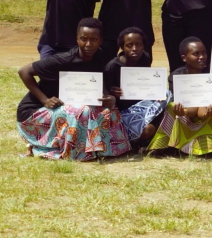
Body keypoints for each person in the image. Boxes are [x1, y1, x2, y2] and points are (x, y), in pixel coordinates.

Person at [16, 18, 129, 160]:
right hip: (33, 115)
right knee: (81, 110)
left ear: (100, 40)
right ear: (77, 40)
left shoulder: (99, 56)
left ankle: (106, 149)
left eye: (93, 39)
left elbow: (99, 83)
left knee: (110, 110)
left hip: (65, 109)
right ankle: (75, 152)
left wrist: (108, 97)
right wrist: (44, 100)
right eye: (83, 39)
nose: (88, 44)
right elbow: (23, 72)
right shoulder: (63, 60)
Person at [147, 36, 212, 156]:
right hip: (185, 113)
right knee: (172, 106)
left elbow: (205, 106)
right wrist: (184, 111)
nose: (202, 57)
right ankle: (167, 146)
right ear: (184, 58)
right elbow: (185, 106)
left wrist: (207, 113)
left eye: (204, 53)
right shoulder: (176, 77)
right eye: (196, 54)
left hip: (205, 111)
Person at [105, 27, 164, 148]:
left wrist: (155, 91)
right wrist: (112, 94)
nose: (135, 49)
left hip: (143, 108)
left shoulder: (145, 58)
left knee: (166, 95)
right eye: (129, 45)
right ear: (122, 47)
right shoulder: (112, 67)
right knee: (148, 130)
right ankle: (131, 141)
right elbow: (105, 97)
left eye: (139, 44)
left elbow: (146, 83)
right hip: (122, 114)